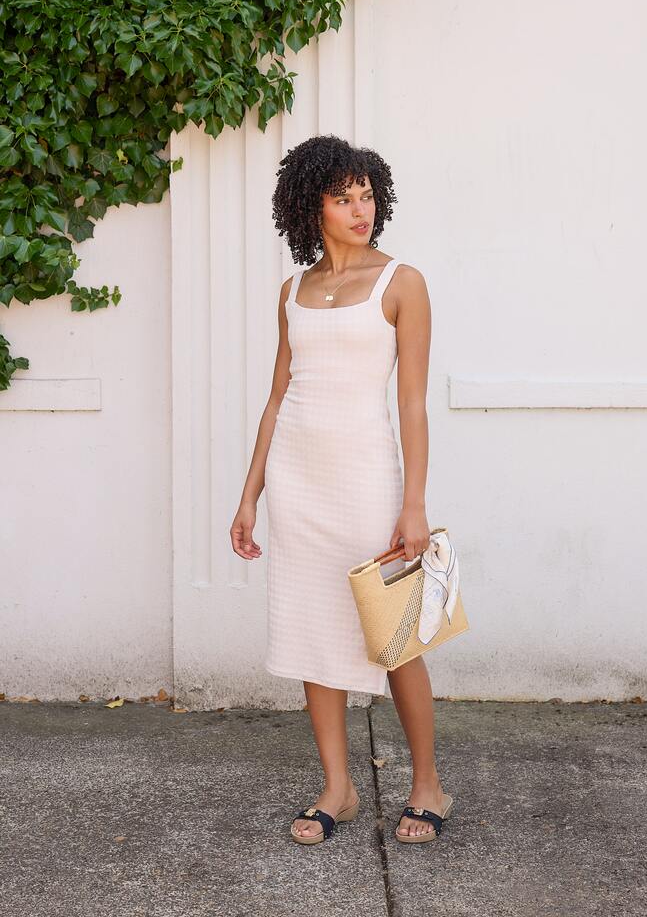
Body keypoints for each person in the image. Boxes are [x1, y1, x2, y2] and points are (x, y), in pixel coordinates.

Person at [229, 134, 453, 845]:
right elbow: (276, 398)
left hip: (364, 479)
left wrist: (412, 502)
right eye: (342, 196)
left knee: (396, 638)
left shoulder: (401, 283)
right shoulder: (292, 291)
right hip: (296, 482)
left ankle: (428, 787)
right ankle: (338, 787)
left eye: (367, 193)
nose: (361, 208)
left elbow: (411, 405)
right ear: (310, 205)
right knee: (308, 631)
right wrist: (249, 495)